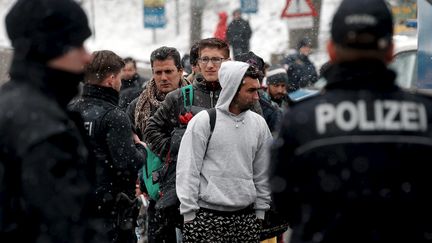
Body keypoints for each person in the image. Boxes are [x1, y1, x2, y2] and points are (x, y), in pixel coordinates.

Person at [271, 0, 432, 242]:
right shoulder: (425, 117)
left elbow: (284, 201)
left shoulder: (301, 120)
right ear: (389, 51)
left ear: (332, 50)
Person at [0, 0, 105, 242]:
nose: (87, 57)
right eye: (78, 45)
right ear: (50, 48)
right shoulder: (44, 129)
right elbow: (69, 227)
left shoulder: (12, 103)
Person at [143, 37, 231, 242]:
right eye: (205, 59)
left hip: (229, 189)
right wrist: (174, 154)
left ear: (228, 61)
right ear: (197, 63)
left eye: (216, 60)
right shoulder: (180, 97)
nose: (210, 65)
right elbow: (151, 128)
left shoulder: (238, 94)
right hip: (188, 191)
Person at [176, 61, 272, 242]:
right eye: (251, 90)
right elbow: (188, 168)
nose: (257, 97)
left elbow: (263, 171)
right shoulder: (204, 121)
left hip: (246, 218)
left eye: (257, 90)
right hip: (206, 217)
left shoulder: (259, 124)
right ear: (233, 89)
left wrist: (260, 210)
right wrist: (189, 213)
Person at [68, 50, 147, 243]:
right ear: (111, 80)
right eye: (119, 76)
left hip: (76, 206)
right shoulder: (114, 116)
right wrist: (141, 148)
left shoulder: (71, 110)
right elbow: (127, 163)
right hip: (111, 212)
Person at [133, 46, 189, 243]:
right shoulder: (138, 106)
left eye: (169, 71)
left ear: (180, 71)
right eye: (158, 72)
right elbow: (132, 147)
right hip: (155, 193)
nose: (163, 77)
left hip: (190, 191)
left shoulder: (195, 99)